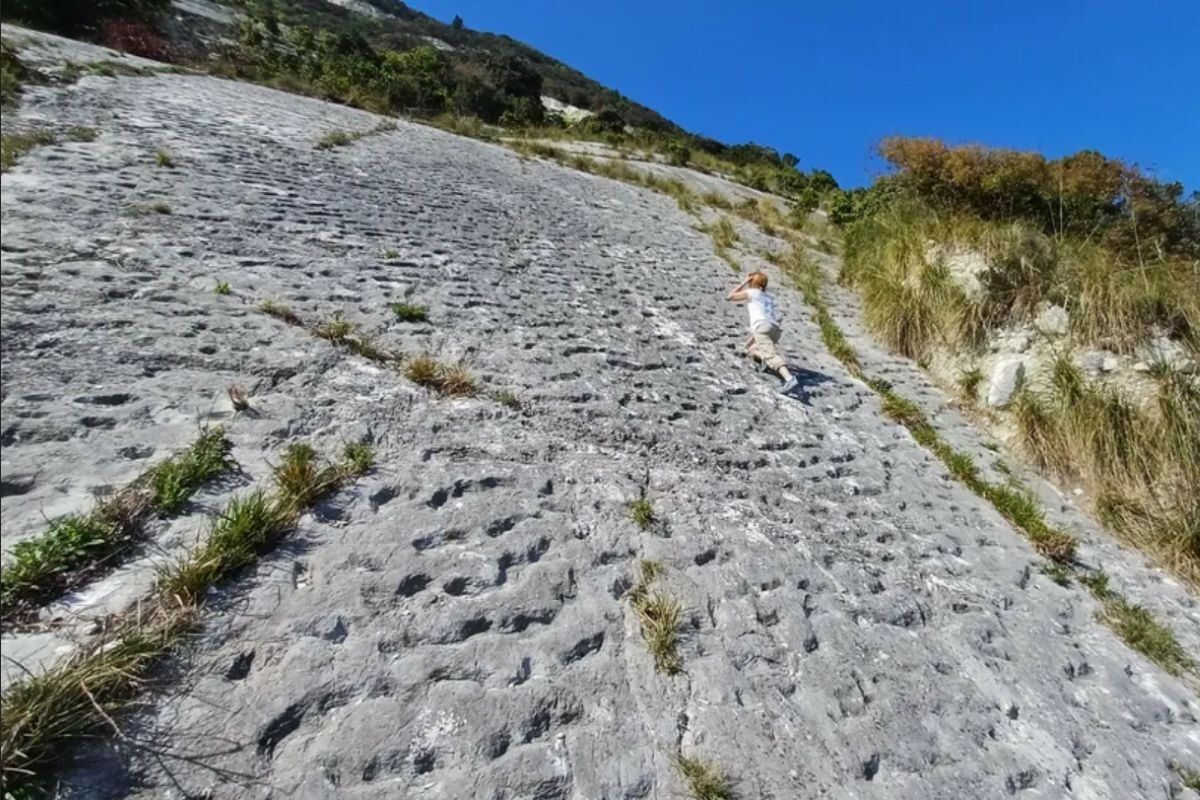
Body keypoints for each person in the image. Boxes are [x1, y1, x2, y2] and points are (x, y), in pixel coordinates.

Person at [726, 271, 799, 395]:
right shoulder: (768, 297)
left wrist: (744, 282)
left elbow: (730, 296)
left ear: (752, 282)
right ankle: (764, 361)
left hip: (763, 327)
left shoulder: (752, 293)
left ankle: (789, 378)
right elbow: (763, 326)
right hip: (774, 329)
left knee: (771, 355)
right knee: (751, 350)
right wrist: (748, 343)